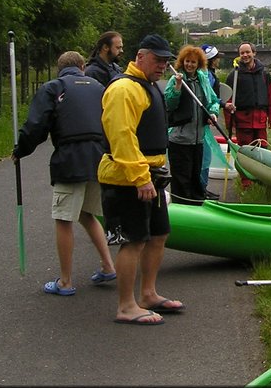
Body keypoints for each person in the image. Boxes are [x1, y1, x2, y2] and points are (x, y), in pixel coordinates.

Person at [13, 51, 116, 296]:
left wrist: (21, 150)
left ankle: (66, 282)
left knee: (63, 219)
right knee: (86, 213)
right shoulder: (99, 87)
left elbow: (37, 125)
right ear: (82, 67)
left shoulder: (53, 87)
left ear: (60, 69)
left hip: (71, 160)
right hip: (100, 158)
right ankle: (107, 265)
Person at [99, 34, 185, 325]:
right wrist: (139, 178)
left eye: (166, 61)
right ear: (140, 56)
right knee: (133, 240)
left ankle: (148, 294)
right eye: (158, 59)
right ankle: (126, 306)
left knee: (158, 235)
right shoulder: (124, 88)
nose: (163, 65)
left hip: (152, 175)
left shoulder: (149, 86)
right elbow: (121, 136)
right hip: (127, 177)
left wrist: (151, 176)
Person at [164, 45, 220, 204]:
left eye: (193, 62)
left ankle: (196, 208)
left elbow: (213, 101)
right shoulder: (175, 79)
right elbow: (169, 104)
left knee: (196, 178)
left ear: (199, 64)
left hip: (198, 140)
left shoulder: (203, 79)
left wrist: (214, 113)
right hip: (179, 140)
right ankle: (181, 209)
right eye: (187, 61)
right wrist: (177, 88)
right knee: (181, 180)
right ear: (182, 62)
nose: (190, 65)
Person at [223, 42, 271, 188]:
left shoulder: (265, 74)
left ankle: (261, 180)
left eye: (248, 52)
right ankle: (246, 182)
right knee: (245, 153)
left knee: (262, 152)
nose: (245, 55)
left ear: (254, 53)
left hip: (260, 119)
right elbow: (227, 100)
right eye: (242, 53)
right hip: (243, 120)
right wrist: (230, 124)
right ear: (239, 55)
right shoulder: (233, 75)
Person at [199, 44, 223, 198]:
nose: (218, 61)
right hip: (201, 122)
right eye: (216, 58)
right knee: (203, 158)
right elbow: (208, 96)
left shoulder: (210, 74)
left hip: (205, 120)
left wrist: (221, 105)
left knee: (204, 157)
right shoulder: (206, 75)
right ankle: (201, 190)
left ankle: (202, 188)